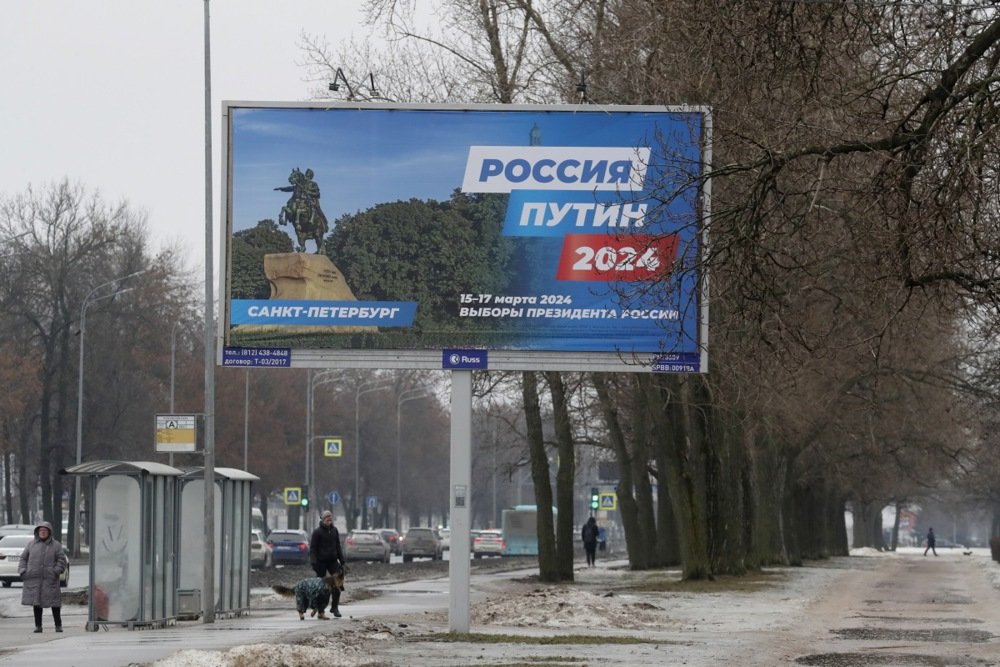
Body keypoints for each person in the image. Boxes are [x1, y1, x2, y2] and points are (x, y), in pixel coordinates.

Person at [19, 521, 68, 633]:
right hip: (34, 579)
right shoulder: (31, 544)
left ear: (49, 532)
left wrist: (55, 571)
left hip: (50, 579)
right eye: (41, 531)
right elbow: (23, 558)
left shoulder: (56, 545)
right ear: (37, 532)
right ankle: (38, 626)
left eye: (45, 531)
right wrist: (23, 570)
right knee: (36, 603)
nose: (42, 532)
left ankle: (58, 625)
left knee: (54, 603)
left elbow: (61, 560)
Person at [309, 511, 345, 617]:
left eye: (330, 518)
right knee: (322, 587)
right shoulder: (317, 532)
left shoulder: (334, 531)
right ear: (323, 519)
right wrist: (314, 562)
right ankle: (320, 609)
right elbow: (313, 549)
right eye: (327, 518)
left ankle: (335, 608)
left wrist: (342, 561)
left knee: (337, 586)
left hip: (333, 561)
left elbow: (338, 546)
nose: (329, 519)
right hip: (321, 562)